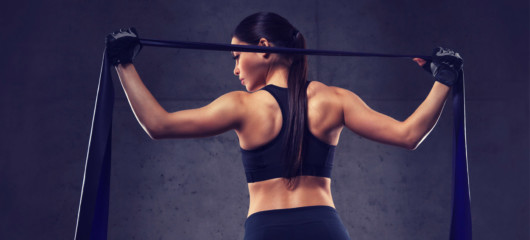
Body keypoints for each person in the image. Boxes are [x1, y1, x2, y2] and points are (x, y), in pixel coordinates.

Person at [106, 12, 463, 240]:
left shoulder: (241, 106)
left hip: (266, 230)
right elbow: (408, 135)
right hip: (324, 228)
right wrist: (443, 79)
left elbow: (157, 124)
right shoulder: (333, 99)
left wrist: (124, 63)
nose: (235, 69)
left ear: (263, 48)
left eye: (236, 56)